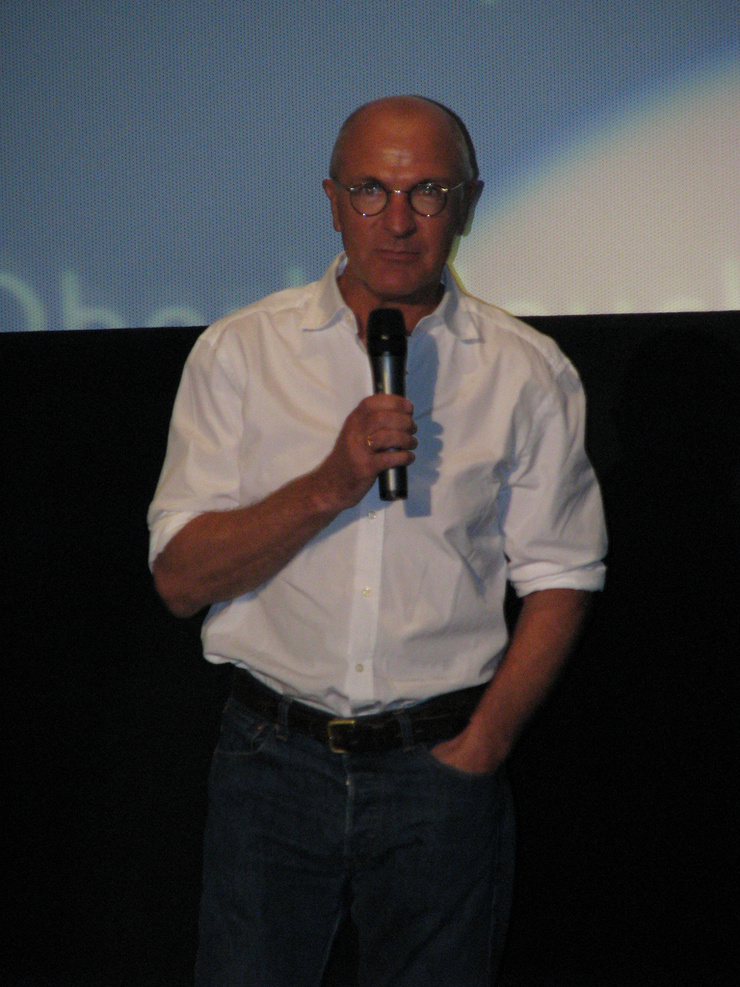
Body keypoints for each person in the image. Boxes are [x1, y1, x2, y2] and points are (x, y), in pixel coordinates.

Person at [148, 95, 607, 986]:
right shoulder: (241, 353)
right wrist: (330, 483)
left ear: (467, 204)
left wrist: (483, 746)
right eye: (370, 190)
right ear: (331, 200)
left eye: (428, 191)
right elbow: (179, 580)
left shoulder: (526, 370)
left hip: (440, 770)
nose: (398, 221)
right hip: (269, 764)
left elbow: (563, 571)